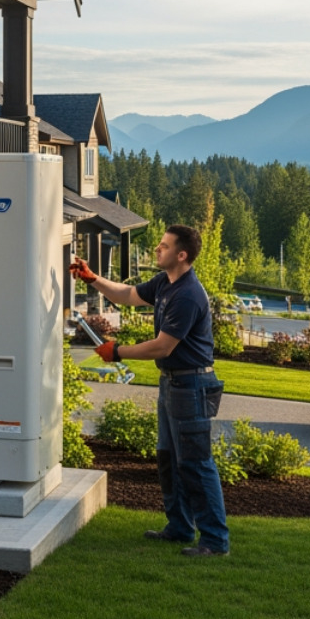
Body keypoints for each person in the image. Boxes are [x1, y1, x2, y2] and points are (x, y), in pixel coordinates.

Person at [70, 225, 229, 557]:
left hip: (192, 385)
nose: (157, 249)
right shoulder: (165, 283)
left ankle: (215, 542)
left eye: (164, 246)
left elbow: (162, 347)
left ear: (181, 255)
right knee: (169, 460)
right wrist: (92, 278)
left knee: (196, 464)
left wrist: (117, 351)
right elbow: (127, 295)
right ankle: (180, 527)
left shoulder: (188, 294)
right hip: (172, 384)